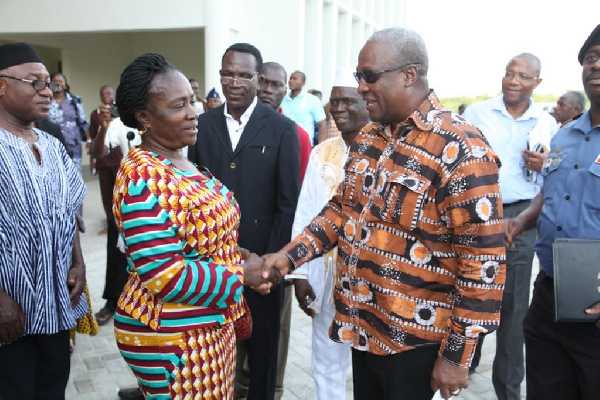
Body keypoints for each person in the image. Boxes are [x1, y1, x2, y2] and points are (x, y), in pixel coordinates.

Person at [263, 27, 506, 400]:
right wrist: (290, 256)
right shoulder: (370, 137)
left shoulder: (461, 148)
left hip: (418, 345)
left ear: (409, 75)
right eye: (360, 76)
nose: (360, 86)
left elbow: (483, 264)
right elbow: (342, 210)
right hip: (365, 329)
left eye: (369, 76)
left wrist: (457, 357)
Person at [110, 52, 274, 399]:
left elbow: (197, 235)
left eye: (192, 100)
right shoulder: (142, 177)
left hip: (206, 327)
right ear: (144, 117)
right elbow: (164, 274)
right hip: (171, 335)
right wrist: (241, 274)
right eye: (178, 105)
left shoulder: (178, 158)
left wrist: (235, 253)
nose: (194, 111)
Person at [188, 43, 301, 400]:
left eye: (242, 75)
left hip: (264, 273)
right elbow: (191, 197)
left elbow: (288, 205)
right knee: (213, 357)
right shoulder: (200, 127)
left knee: (263, 361)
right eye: (227, 74)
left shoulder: (282, 129)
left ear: (257, 78)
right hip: (213, 269)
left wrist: (268, 265)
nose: (234, 82)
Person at [504, 24, 600, 400]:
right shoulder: (565, 135)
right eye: (590, 58)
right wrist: (522, 219)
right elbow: (552, 192)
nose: (595, 65)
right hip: (550, 295)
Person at [462, 53, 558, 399]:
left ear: (537, 82)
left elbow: (556, 180)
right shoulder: (477, 114)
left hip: (522, 220)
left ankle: (508, 391)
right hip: (477, 219)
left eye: (523, 76)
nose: (514, 81)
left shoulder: (547, 124)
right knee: (470, 295)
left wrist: (546, 163)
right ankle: (461, 361)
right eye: (509, 74)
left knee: (514, 310)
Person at [0, 42, 88, 399]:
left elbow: (70, 211)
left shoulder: (50, 144)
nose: (46, 91)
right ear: (2, 84)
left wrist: (79, 262)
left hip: (55, 307)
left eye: (48, 84)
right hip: (11, 312)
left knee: (52, 389)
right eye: (33, 82)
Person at [292, 66, 368, 399]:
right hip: (327, 280)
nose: (338, 108)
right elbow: (305, 214)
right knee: (326, 361)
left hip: (374, 285)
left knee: (371, 368)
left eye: (347, 100)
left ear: (366, 101)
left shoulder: (389, 150)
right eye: (334, 101)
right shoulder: (323, 152)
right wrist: (298, 274)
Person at [256, 60, 312, 399]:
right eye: (263, 82)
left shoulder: (296, 134)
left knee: (272, 333)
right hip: (234, 257)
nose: (267, 90)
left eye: (277, 85)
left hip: (278, 254)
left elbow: (297, 201)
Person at [48, 71, 91, 172]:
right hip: (52, 144)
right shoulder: (46, 100)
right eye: (55, 81)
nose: (58, 83)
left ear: (65, 85)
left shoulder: (74, 101)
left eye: (61, 81)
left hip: (73, 144)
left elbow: (83, 120)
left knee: (75, 172)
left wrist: (89, 139)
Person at [281, 70, 326, 146]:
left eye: (295, 79)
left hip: (304, 145)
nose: (291, 81)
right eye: (290, 78)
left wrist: (320, 148)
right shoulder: (282, 98)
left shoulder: (312, 100)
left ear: (303, 83)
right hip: (283, 143)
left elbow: (322, 125)